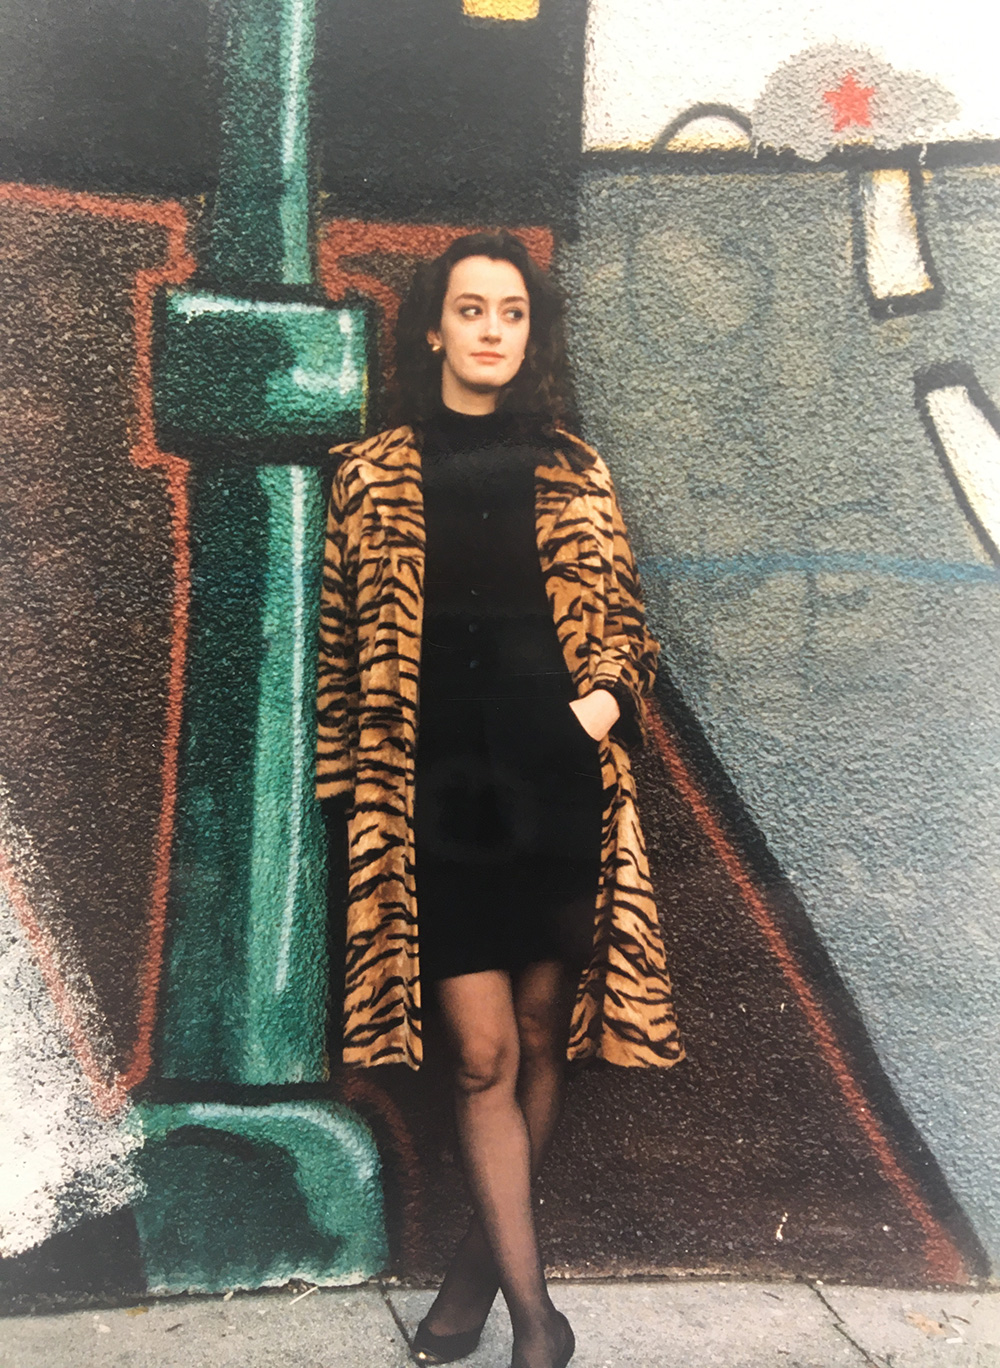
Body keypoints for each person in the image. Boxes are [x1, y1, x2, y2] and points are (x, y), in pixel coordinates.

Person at [316, 231, 683, 1368]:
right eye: (469, 309)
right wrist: (351, 804)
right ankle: (537, 1325)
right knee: (478, 1056)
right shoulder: (367, 472)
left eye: (510, 311)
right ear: (431, 327)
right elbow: (338, 652)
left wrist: (601, 709)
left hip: (555, 780)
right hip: (434, 793)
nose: (489, 329)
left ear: (529, 330)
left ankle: (475, 1285)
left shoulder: (573, 465)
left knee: (538, 1036)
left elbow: (626, 626)